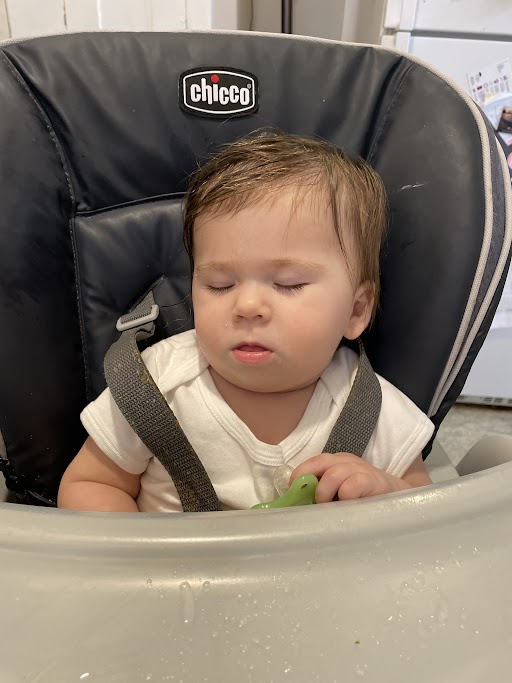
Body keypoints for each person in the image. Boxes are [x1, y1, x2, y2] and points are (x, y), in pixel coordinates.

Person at [57, 131, 434, 513]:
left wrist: (387, 491)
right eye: (219, 285)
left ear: (355, 311)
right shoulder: (155, 388)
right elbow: (89, 483)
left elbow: (427, 507)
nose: (247, 306)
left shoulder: (373, 409)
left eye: (289, 284)